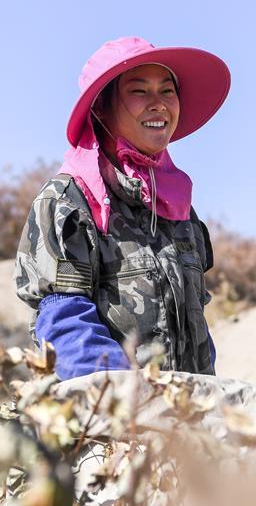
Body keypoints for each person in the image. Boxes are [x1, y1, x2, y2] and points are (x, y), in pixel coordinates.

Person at [14, 36, 230, 380]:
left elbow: (195, 328)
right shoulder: (69, 200)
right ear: (100, 107)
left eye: (168, 91)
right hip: (116, 418)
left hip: (187, 418)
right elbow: (65, 323)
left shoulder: (177, 206)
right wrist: (129, 411)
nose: (158, 104)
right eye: (139, 91)